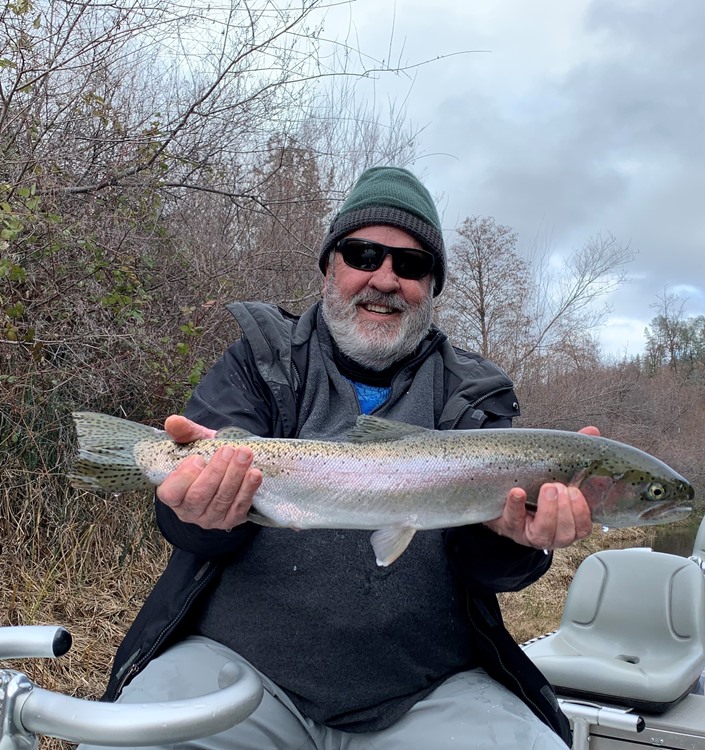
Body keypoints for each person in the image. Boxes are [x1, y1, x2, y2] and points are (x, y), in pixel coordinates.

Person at [81, 167, 595, 750]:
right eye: (363, 253)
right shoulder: (260, 358)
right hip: (238, 672)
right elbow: (189, 526)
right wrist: (199, 510)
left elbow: (493, 570)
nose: (385, 278)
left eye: (411, 264)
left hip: (430, 691)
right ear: (330, 266)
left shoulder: (474, 395)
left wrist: (512, 539)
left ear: (432, 286)